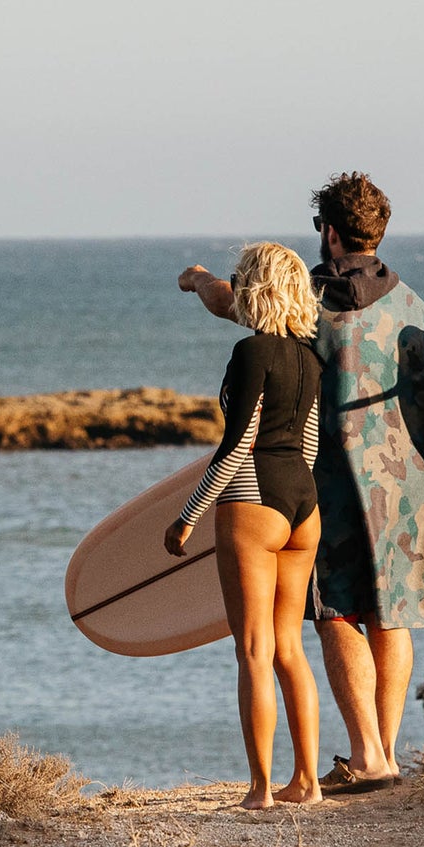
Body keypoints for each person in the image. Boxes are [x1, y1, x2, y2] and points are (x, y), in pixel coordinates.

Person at [178, 173, 424, 793]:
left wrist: (197, 279)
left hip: (322, 483)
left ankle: (368, 755)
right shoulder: (423, 314)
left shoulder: (304, 304)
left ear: (329, 233)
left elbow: (234, 301)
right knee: (392, 613)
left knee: (337, 611)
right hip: (407, 488)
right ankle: (384, 753)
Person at [164, 243, 326, 810]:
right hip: (303, 505)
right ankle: (307, 783)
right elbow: (309, 444)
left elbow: (236, 448)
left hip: (253, 502)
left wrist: (186, 518)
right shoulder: (309, 359)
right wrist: (294, 494)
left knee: (254, 649)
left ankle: (259, 789)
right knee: (289, 648)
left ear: (254, 289)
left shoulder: (251, 352)